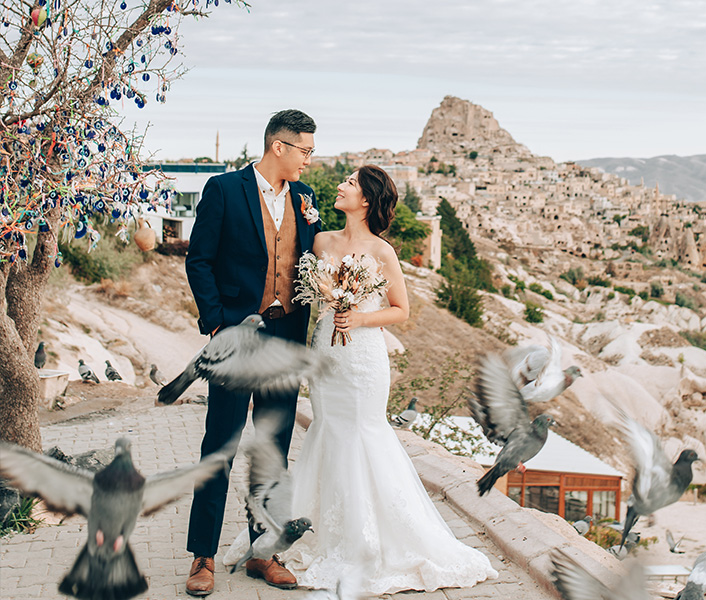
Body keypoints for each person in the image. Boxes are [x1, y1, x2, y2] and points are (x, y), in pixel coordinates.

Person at [225, 165, 497, 593]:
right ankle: (309, 531)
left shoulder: (382, 251)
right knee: (328, 430)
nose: (340, 185)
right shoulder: (321, 241)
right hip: (325, 350)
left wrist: (361, 316)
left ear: (366, 199)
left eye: (349, 182)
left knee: (364, 433)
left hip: (364, 356)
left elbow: (401, 310)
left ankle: (368, 539)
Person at [181, 109, 321, 597]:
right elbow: (198, 261)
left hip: (285, 340)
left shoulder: (306, 198)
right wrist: (218, 323)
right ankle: (203, 556)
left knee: (274, 451)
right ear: (278, 146)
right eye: (305, 149)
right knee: (219, 445)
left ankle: (266, 551)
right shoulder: (223, 190)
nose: (309, 159)